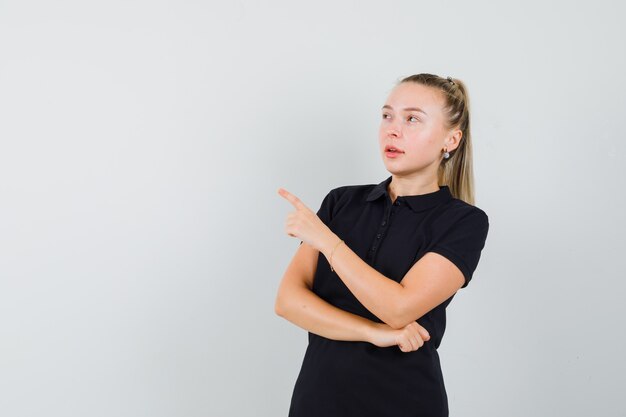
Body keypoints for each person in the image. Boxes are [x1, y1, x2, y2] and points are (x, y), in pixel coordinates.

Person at [275, 73, 490, 417]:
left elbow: (399, 308)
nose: (392, 129)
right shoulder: (342, 202)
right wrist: (374, 333)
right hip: (317, 400)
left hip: (402, 402)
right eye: (387, 115)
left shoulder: (463, 222)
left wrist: (326, 240)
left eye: (412, 119)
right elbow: (288, 301)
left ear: (451, 139)